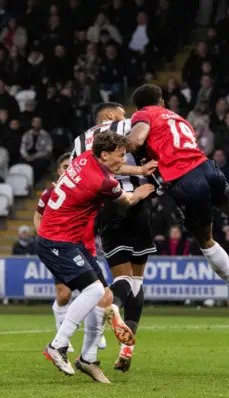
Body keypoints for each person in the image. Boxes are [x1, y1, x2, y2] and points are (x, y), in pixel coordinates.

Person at [126, 84, 229, 301]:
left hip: (184, 179)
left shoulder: (143, 114)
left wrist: (120, 147)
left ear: (138, 107)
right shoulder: (178, 118)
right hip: (206, 167)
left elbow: (135, 140)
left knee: (206, 240)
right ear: (162, 102)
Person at [38, 131, 154, 382]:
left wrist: (140, 171)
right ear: (104, 155)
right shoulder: (103, 182)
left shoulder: (82, 160)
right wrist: (140, 193)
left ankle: (88, 359)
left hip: (68, 239)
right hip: (56, 241)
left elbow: (117, 167)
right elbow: (127, 199)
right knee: (93, 292)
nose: (124, 160)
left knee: (105, 295)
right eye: (120, 155)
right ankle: (58, 345)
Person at [70, 102, 158, 372]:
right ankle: (126, 349)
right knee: (136, 280)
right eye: (121, 113)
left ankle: (107, 306)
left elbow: (86, 176)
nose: (126, 117)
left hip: (111, 206)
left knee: (120, 279)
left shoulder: (79, 141)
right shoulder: (129, 126)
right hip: (140, 203)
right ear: (110, 115)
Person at [34, 153, 107, 354]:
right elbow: (38, 219)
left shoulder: (89, 188)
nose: (67, 170)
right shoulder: (50, 194)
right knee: (65, 294)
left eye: (70, 166)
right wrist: (49, 240)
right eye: (64, 166)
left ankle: (92, 334)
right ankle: (61, 332)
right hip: (61, 247)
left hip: (86, 248)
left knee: (99, 294)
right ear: (59, 171)